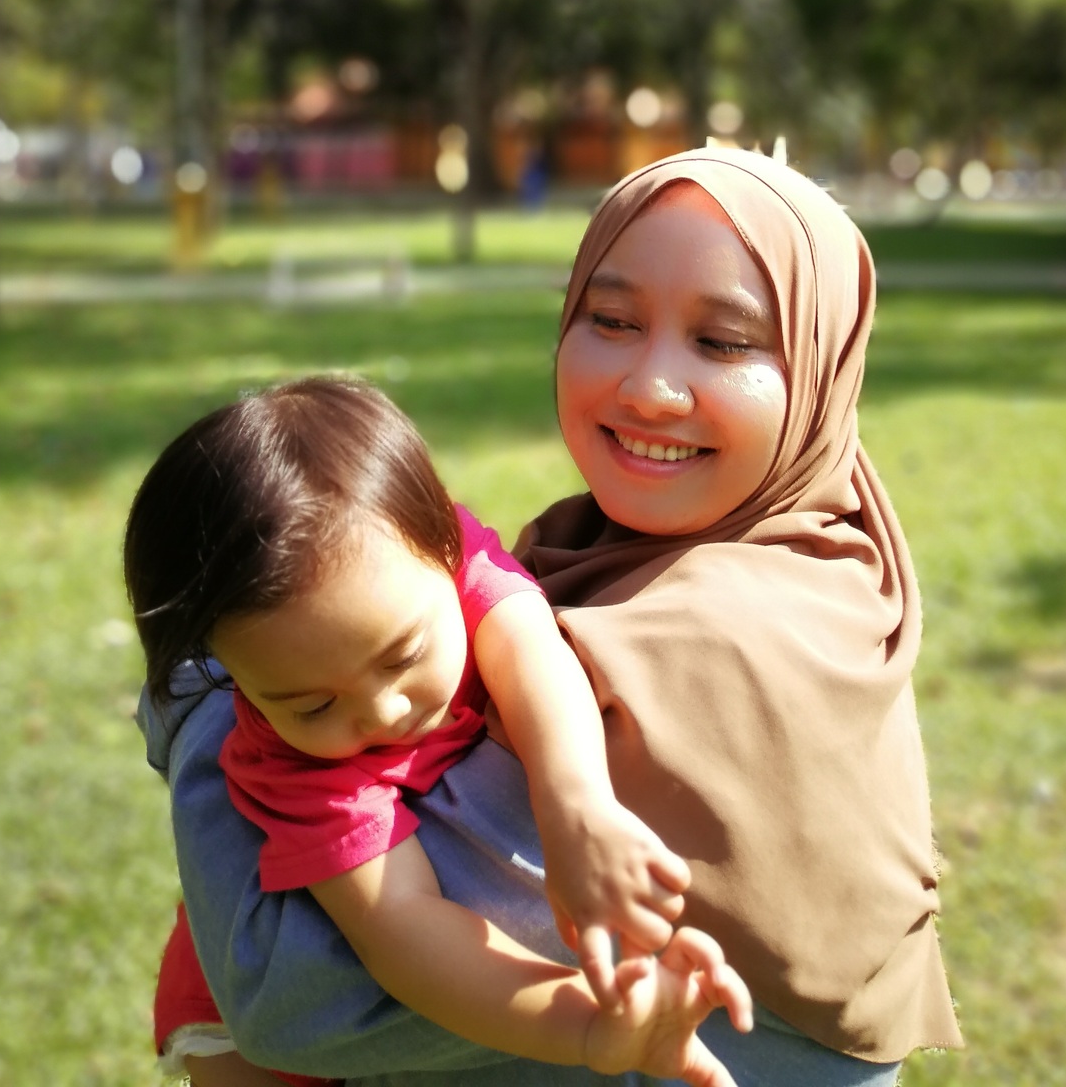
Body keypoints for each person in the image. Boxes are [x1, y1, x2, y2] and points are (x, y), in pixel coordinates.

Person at [141, 148, 961, 1085]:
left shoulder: (706, 645)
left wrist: (199, 703)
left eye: (724, 342)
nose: (651, 385)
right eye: (610, 319)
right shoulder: (629, 550)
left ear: (821, 361)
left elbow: (285, 993)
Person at [125, 376, 752, 1086]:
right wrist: (588, 1026)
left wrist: (576, 807)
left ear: (448, 548)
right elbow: (410, 936)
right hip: (237, 1020)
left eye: (403, 657)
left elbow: (533, 655)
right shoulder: (294, 767)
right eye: (311, 706)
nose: (384, 711)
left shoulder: (443, 567)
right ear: (233, 674)